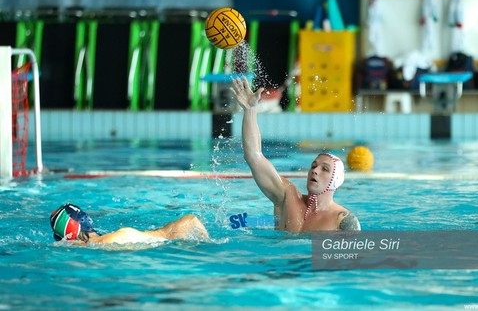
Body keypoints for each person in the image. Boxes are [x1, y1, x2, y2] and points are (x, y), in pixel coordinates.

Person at [230, 76, 361, 232]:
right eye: (314, 165)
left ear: (335, 181)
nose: (315, 170)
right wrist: (250, 111)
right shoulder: (287, 196)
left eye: (325, 169)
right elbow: (254, 156)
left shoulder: (343, 221)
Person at [50, 203, 209, 245]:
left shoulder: (80, 245)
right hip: (164, 237)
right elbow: (191, 220)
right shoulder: (112, 238)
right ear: (85, 220)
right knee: (190, 218)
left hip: (162, 238)